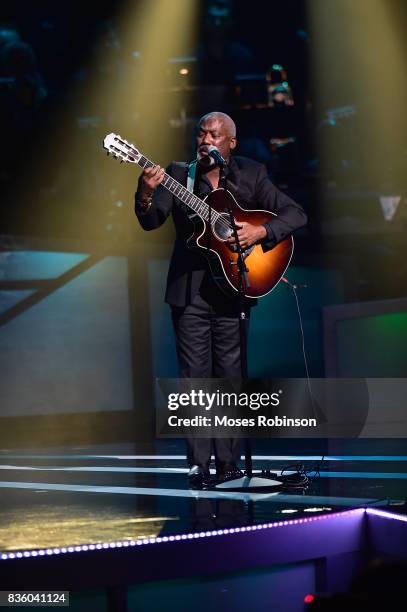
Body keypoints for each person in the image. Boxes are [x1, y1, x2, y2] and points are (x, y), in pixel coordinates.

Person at [135, 111, 307, 489]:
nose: (205, 138)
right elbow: (151, 220)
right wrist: (147, 190)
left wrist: (261, 231)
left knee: (229, 380)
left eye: (214, 134)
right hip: (190, 292)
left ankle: (229, 464)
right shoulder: (178, 174)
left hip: (234, 290)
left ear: (231, 142)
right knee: (195, 380)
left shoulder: (251, 173)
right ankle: (199, 466)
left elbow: (295, 214)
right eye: (201, 132)